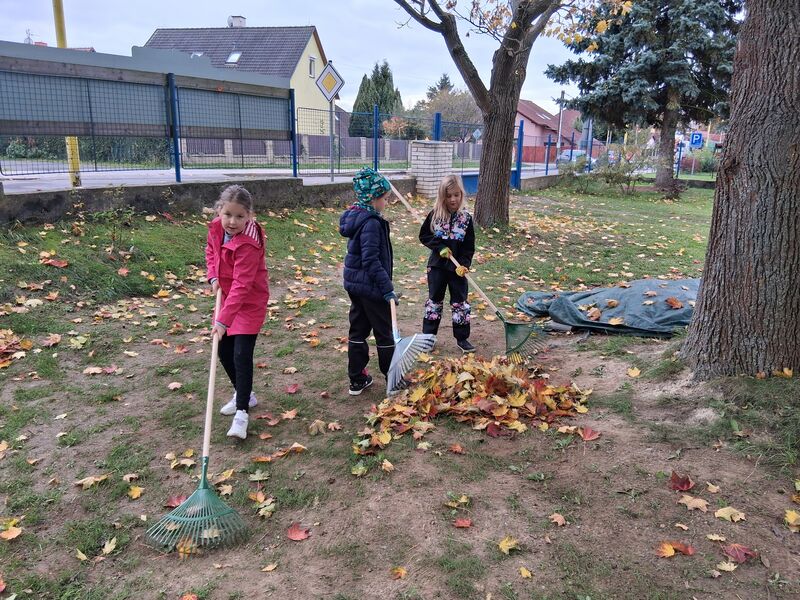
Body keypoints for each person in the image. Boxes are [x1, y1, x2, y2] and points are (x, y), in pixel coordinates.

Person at [205, 185, 269, 439]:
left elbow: (242, 285)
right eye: (228, 214)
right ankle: (245, 394)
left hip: (249, 301)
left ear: (249, 216)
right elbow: (211, 253)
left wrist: (222, 320)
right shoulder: (216, 228)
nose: (232, 222)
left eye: (240, 216)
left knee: (241, 354)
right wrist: (213, 277)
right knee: (223, 350)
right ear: (219, 211)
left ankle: (242, 413)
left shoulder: (250, 243)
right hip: (226, 298)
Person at [339, 168, 397, 395]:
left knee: (358, 330)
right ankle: (393, 379)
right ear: (373, 199)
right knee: (384, 333)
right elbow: (371, 260)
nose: (386, 203)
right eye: (384, 199)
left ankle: (357, 379)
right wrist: (387, 289)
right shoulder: (371, 223)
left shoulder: (356, 216)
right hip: (372, 288)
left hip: (356, 285)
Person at [418, 174, 476, 353]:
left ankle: (462, 338)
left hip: (457, 269)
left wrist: (464, 264)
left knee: (460, 303)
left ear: (461, 194)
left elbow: (469, 246)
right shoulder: (435, 215)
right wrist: (439, 247)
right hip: (437, 267)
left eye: (456, 195)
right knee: (434, 301)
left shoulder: (466, 219)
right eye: (448, 196)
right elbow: (424, 235)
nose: (453, 199)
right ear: (442, 196)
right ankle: (428, 338)